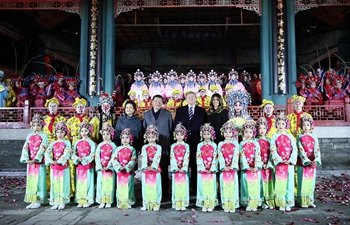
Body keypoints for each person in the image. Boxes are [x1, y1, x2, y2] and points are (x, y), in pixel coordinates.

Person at [174, 91, 207, 194]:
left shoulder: (201, 111)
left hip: (197, 141)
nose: (191, 99)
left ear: (196, 98)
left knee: (195, 164)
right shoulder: (180, 110)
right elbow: (176, 125)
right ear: (186, 99)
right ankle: (184, 187)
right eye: (189, 97)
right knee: (183, 164)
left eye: (193, 97)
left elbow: (205, 125)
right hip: (184, 142)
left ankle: (195, 187)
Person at [143, 95, 173, 198]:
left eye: (160, 101)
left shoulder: (167, 114)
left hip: (164, 144)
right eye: (156, 101)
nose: (158, 103)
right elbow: (144, 129)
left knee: (163, 168)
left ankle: (165, 191)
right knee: (151, 167)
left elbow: (170, 128)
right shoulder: (146, 115)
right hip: (151, 146)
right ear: (152, 102)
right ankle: (152, 190)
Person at [270, 113, 298, 212]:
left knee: (289, 183)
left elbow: (294, 149)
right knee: (280, 183)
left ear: (286, 124)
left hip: (288, 163)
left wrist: (290, 159)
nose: (281, 125)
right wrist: (279, 159)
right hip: (280, 163)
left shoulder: (290, 136)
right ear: (276, 125)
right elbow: (272, 149)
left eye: (283, 123)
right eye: (279, 123)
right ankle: (281, 202)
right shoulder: (274, 136)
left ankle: (288, 202)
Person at [20, 114, 49, 209]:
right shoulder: (29, 136)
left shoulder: (44, 136)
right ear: (32, 126)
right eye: (35, 125)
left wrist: (36, 159)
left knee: (39, 180)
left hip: (39, 162)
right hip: (30, 162)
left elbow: (43, 147)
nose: (36, 127)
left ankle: (39, 200)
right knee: (31, 180)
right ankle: (32, 199)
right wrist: (26, 158)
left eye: (38, 125)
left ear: (42, 126)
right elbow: (25, 147)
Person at [66, 98, 90, 198]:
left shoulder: (89, 120)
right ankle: (73, 191)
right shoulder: (70, 121)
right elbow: (67, 136)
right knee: (72, 168)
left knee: (85, 169)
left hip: (85, 148)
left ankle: (85, 192)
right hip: (73, 146)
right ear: (75, 108)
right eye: (78, 107)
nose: (80, 109)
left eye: (82, 107)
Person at [45, 121, 71, 210]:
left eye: (62, 132)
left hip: (63, 166)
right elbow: (47, 153)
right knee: (54, 184)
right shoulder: (52, 143)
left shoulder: (67, 142)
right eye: (58, 132)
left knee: (63, 184)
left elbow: (67, 153)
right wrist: (51, 161)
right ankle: (55, 201)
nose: (59, 134)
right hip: (54, 166)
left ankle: (62, 201)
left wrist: (59, 161)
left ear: (65, 133)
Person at [296, 115, 321, 208]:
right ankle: (302, 200)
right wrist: (306, 160)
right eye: (304, 125)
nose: (306, 127)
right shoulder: (299, 137)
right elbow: (300, 149)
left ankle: (309, 200)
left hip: (312, 162)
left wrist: (315, 160)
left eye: (307, 125)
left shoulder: (314, 137)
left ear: (311, 126)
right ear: (301, 126)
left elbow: (317, 148)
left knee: (310, 181)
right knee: (302, 180)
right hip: (302, 162)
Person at [109, 128, 137, 209]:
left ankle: (129, 201)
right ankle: (121, 202)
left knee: (129, 186)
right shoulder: (117, 149)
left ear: (130, 139)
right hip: (120, 171)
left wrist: (127, 167)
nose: (125, 139)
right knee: (120, 187)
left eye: (127, 137)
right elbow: (114, 159)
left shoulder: (132, 149)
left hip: (128, 171)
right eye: (123, 137)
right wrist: (118, 167)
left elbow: (133, 159)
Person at [71, 121, 96, 208]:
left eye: (86, 131)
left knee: (88, 183)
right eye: (82, 131)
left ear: (89, 131)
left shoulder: (92, 142)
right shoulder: (77, 142)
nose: (84, 133)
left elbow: (93, 153)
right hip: (79, 164)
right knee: (80, 182)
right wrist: (77, 159)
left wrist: (85, 159)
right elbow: (73, 153)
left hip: (88, 164)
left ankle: (88, 200)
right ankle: (80, 200)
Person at [239, 120, 262, 212]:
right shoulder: (241, 144)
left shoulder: (256, 143)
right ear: (243, 133)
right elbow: (241, 155)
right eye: (246, 132)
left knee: (255, 185)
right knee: (246, 185)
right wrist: (246, 166)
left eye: (250, 132)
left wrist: (256, 166)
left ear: (253, 133)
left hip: (255, 168)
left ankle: (255, 203)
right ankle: (247, 202)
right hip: (246, 168)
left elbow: (258, 154)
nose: (248, 134)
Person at [217, 121, 240, 213]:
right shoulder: (220, 144)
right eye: (225, 132)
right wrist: (224, 165)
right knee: (224, 186)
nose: (227, 134)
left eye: (229, 132)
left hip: (232, 169)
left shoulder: (236, 144)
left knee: (233, 186)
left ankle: (233, 204)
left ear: (232, 133)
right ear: (223, 133)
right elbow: (219, 155)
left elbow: (236, 155)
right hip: (224, 169)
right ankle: (226, 204)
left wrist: (232, 165)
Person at [195, 123, 218, 212]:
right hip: (203, 169)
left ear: (212, 134)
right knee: (203, 186)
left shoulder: (214, 145)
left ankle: (211, 203)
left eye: (208, 134)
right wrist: (202, 167)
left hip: (211, 169)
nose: (206, 136)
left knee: (211, 187)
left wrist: (212, 167)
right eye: (204, 134)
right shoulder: (200, 145)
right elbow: (198, 156)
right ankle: (204, 203)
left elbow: (215, 157)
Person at [140, 125, 162, 211]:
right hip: (146, 169)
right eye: (149, 137)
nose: (151, 139)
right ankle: (146, 203)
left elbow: (158, 156)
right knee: (146, 187)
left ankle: (156, 203)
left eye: (153, 137)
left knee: (156, 187)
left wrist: (153, 166)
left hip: (155, 169)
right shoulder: (144, 147)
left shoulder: (158, 147)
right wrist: (146, 166)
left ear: (156, 137)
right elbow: (143, 157)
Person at [95, 124, 117, 209]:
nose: (105, 136)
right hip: (101, 168)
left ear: (111, 135)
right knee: (101, 184)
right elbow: (97, 156)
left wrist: (109, 166)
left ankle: (108, 201)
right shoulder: (100, 145)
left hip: (109, 168)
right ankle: (101, 200)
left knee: (109, 185)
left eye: (107, 134)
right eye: (104, 134)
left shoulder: (113, 145)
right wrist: (100, 166)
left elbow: (114, 156)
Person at [170, 123, 190, 211]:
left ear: (184, 135)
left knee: (184, 185)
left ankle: (184, 202)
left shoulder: (186, 146)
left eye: (181, 134)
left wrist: (183, 167)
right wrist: (175, 167)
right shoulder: (173, 146)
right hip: (176, 169)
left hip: (183, 169)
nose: (179, 136)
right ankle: (176, 202)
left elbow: (187, 156)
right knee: (176, 186)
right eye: (177, 134)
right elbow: (172, 157)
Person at [256, 117, 275, 210]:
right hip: (259, 165)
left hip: (268, 165)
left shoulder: (270, 140)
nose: (262, 130)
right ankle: (260, 201)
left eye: (264, 128)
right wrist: (260, 163)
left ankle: (269, 200)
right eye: (260, 128)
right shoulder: (255, 141)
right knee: (259, 182)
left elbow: (272, 153)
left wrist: (268, 163)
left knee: (268, 182)